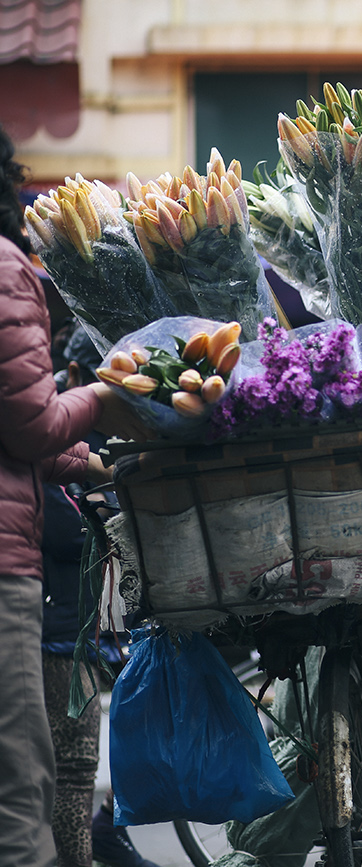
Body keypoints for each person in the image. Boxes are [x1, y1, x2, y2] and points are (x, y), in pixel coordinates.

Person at [0, 123, 150, 865]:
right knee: (23, 793)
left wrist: (79, 460)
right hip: (15, 586)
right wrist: (107, 398)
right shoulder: (5, 269)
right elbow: (27, 425)